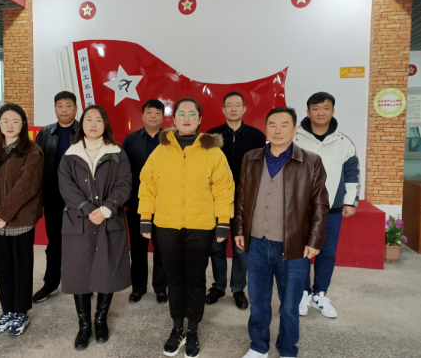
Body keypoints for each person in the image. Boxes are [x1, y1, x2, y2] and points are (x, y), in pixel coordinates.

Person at [139, 98, 235, 358]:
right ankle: (176, 328)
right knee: (174, 280)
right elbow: (147, 185)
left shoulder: (213, 152)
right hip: (166, 226)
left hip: (200, 227)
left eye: (192, 114)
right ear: (174, 118)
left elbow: (224, 189)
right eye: (181, 114)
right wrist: (145, 217)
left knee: (195, 280)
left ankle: (192, 330)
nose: (187, 118)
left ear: (200, 119)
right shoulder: (161, 151)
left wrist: (223, 221)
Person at [235, 106, 329, 358]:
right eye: (273, 125)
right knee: (258, 302)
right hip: (256, 243)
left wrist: (315, 240)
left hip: (294, 246)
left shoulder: (311, 161)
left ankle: (287, 349)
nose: (278, 130)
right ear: (266, 128)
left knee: (289, 306)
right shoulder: (251, 158)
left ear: (295, 129)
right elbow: (242, 197)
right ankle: (258, 347)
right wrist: (239, 229)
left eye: (284, 125)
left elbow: (320, 205)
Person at [58, 105, 132, 351]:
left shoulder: (117, 153)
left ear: (105, 124)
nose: (93, 124)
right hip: (78, 221)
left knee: (106, 269)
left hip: (109, 220)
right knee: (79, 273)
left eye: (98, 120)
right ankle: (84, 325)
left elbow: (124, 184)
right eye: (88, 119)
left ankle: (100, 319)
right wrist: (88, 209)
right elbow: (66, 187)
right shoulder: (70, 155)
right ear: (82, 125)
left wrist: (107, 209)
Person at [0, 103, 43, 336]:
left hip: (21, 220)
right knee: (3, 267)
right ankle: (7, 311)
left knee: (21, 267)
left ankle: (20, 312)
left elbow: (26, 187)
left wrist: (2, 214)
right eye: (5, 121)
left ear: (23, 124)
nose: (10, 125)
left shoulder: (33, 151)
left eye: (15, 121)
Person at [294, 92, 359, 318]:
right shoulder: (295, 138)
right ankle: (303, 293)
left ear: (333, 111)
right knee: (300, 252)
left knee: (327, 253)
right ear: (308, 111)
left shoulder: (344, 142)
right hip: (300, 209)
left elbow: (352, 174)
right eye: (316, 108)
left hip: (332, 209)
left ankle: (320, 294)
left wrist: (350, 201)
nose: (321, 112)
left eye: (326, 108)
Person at [206, 91, 266, 309]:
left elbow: (261, 169)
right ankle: (218, 286)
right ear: (223, 109)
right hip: (217, 202)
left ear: (244, 109)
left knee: (241, 248)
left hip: (245, 202)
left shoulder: (257, 136)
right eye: (229, 105)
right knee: (216, 246)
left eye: (237, 105)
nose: (233, 108)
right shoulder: (211, 136)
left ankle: (238, 289)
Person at [32, 91, 78, 303]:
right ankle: (50, 284)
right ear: (55, 109)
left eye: (68, 106)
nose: (64, 110)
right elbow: (36, 166)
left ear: (75, 108)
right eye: (60, 106)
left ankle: (82, 284)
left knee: (81, 243)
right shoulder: (45, 133)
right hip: (53, 198)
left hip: (79, 200)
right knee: (54, 243)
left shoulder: (84, 131)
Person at [122, 99, 168, 304]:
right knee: (138, 248)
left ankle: (160, 288)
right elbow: (123, 172)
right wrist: (125, 200)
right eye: (149, 113)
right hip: (137, 205)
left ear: (163, 117)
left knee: (162, 248)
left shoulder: (171, 140)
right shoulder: (131, 140)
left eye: (157, 113)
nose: (153, 117)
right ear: (142, 116)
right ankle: (138, 288)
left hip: (164, 205)